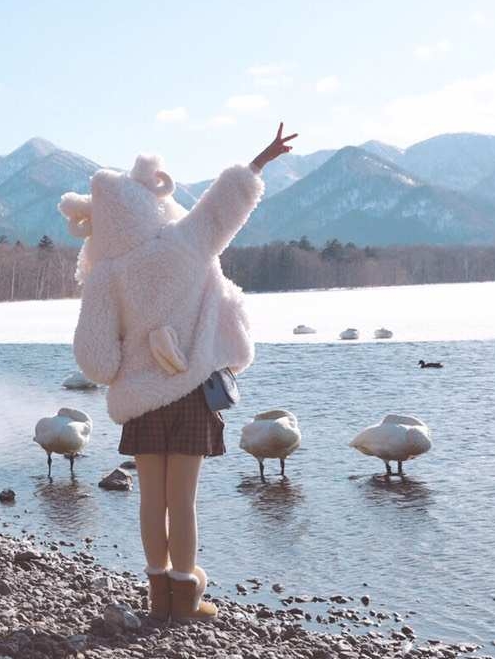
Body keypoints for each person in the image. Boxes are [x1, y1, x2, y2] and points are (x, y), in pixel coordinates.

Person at [60, 123, 295, 622]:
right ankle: (184, 600)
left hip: (141, 400)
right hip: (190, 393)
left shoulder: (106, 274)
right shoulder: (186, 243)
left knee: (151, 501)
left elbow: (95, 358)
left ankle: (157, 597)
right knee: (182, 501)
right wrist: (260, 161)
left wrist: (133, 361)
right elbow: (224, 205)